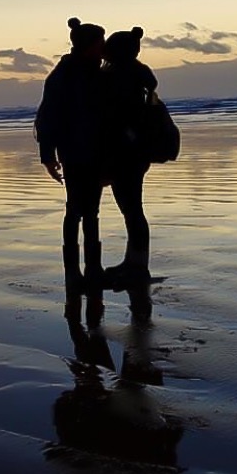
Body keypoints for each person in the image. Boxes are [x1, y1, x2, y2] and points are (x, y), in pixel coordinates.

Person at [34, 17, 107, 291]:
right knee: (76, 209)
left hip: (94, 150)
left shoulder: (94, 71)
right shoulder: (64, 75)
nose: (103, 49)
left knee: (91, 211)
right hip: (74, 152)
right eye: (100, 43)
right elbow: (46, 117)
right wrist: (48, 156)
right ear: (89, 45)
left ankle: (93, 268)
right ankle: (73, 271)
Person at [100, 27, 157, 291]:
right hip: (138, 149)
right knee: (132, 208)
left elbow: (113, 116)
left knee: (131, 209)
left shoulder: (118, 76)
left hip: (126, 151)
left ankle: (138, 266)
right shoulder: (139, 73)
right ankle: (133, 262)